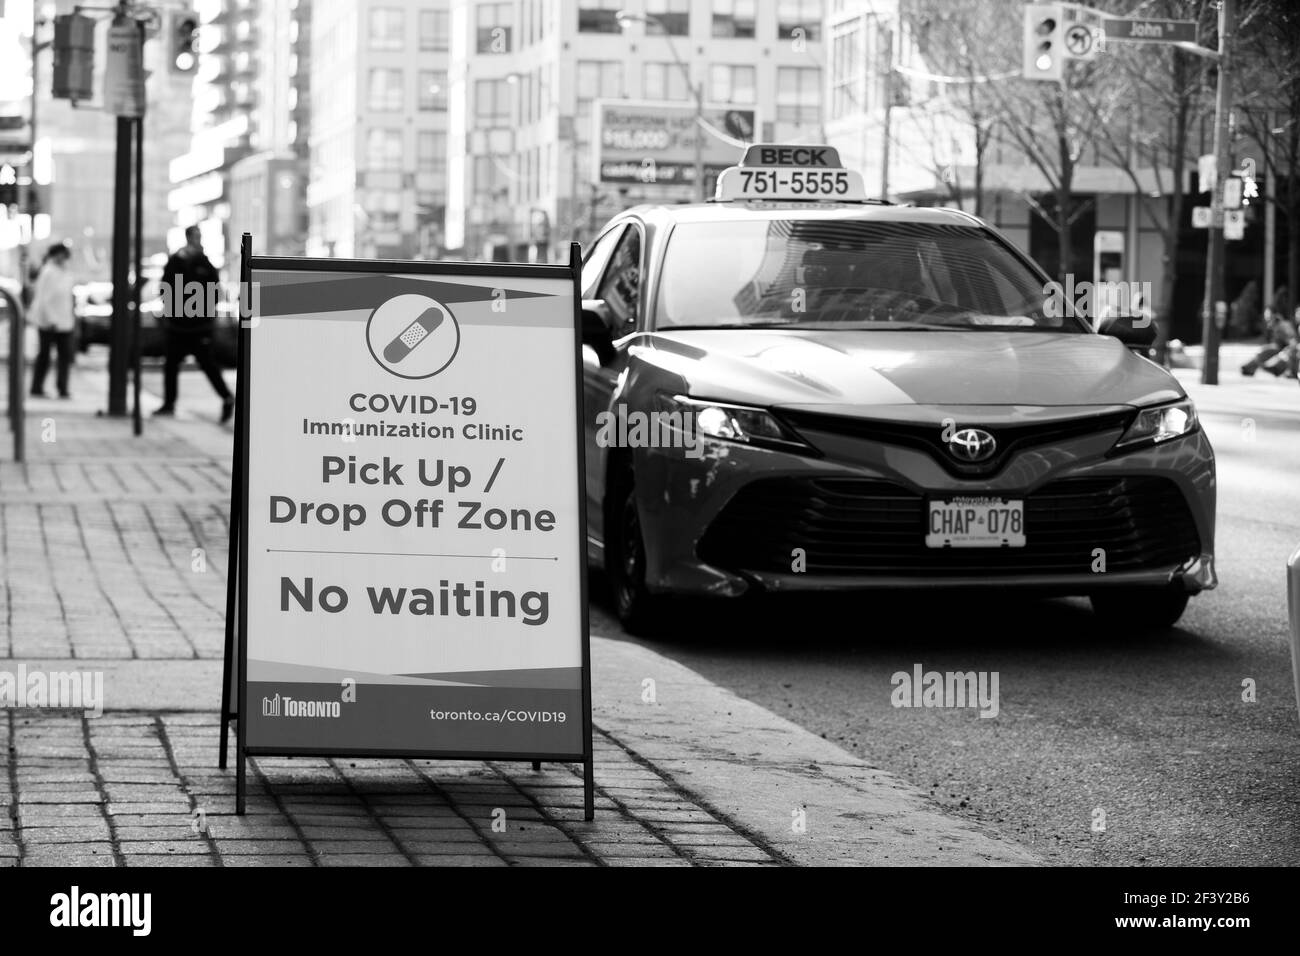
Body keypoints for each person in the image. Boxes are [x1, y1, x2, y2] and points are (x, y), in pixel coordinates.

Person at [155, 225, 234, 422]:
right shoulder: (176, 261)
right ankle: (169, 403)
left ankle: (226, 397)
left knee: (208, 365)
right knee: (171, 365)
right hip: (178, 326)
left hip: (199, 327)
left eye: (199, 236)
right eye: (195, 236)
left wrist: (206, 315)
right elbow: (165, 289)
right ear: (188, 237)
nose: (197, 239)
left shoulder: (205, 263)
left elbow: (215, 291)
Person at [28, 241, 76, 399]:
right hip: (49, 322)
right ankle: (37, 387)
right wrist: (52, 319)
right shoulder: (48, 272)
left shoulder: (65, 272)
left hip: (64, 321)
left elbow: (67, 297)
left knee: (64, 356)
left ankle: (63, 388)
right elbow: (44, 299)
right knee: (45, 356)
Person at [1240, 306, 1298, 378]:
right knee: (1266, 349)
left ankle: (1276, 368)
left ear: (1275, 315)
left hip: (1287, 349)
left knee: (1271, 349)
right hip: (1281, 348)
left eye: (1268, 316)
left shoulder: (1283, 325)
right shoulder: (1275, 326)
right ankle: (1250, 367)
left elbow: (1292, 341)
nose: (1266, 319)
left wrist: (1286, 351)